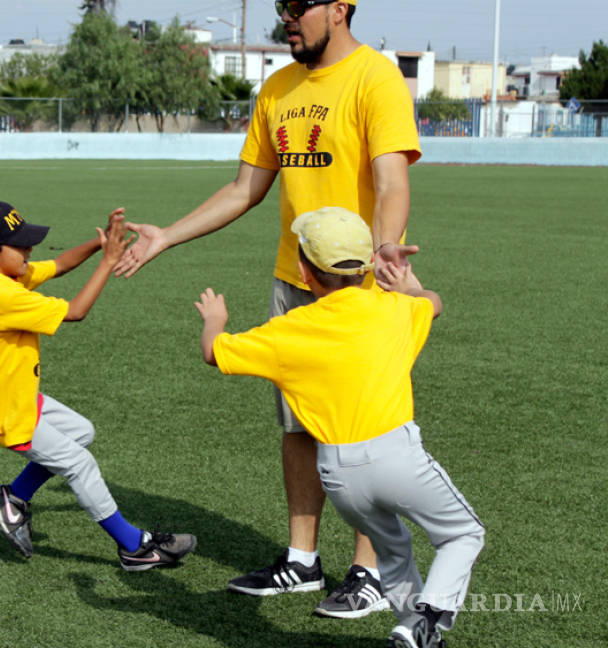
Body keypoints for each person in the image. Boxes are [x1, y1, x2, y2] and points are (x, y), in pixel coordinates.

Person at [113, 0, 422, 618]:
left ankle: (370, 569)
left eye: (296, 5)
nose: (285, 16)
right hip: (294, 280)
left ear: (339, 9)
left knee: (364, 431)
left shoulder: (375, 78)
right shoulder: (278, 87)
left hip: (359, 286)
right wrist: (167, 235)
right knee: (298, 425)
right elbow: (245, 187)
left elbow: (390, 180)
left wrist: (383, 253)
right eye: (279, 6)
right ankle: (302, 561)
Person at [194, 206, 484, 648]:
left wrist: (215, 319)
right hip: (396, 456)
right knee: (463, 534)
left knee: (394, 550)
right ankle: (425, 620)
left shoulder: (288, 330)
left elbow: (215, 353)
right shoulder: (394, 310)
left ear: (304, 273)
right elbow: (433, 303)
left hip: (338, 473)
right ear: (367, 265)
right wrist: (411, 284)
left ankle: (414, 634)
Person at [0, 200, 196, 571]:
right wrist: (108, 261)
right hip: (2, 409)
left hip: (13, 397)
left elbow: (60, 264)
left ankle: (14, 499)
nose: (29, 250)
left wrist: (100, 243)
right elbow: (75, 311)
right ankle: (135, 547)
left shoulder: (1, 277)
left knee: (81, 432)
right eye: (19, 245)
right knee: (79, 463)